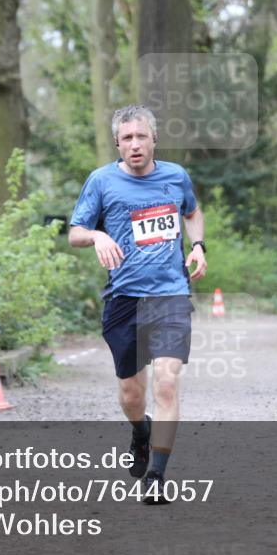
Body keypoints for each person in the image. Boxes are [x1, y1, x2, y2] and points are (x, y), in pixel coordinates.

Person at [68, 104, 207, 504]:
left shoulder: (175, 177)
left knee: (166, 381)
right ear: (117, 142)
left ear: (154, 139)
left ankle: (156, 477)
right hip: (124, 298)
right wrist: (96, 237)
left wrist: (197, 246)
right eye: (127, 138)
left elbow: (193, 212)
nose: (134, 144)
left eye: (141, 136)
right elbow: (75, 231)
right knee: (132, 392)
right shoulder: (101, 181)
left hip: (170, 294)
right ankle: (140, 432)